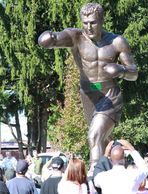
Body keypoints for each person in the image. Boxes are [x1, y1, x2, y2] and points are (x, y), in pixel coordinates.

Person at [38, 2, 138, 166]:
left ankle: (94, 175)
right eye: (85, 23)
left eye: (93, 22)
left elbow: (134, 74)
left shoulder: (117, 42)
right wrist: (51, 39)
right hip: (88, 94)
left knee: (94, 136)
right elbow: (57, 38)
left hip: (109, 94)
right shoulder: (76, 37)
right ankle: (116, 166)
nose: (89, 27)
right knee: (102, 138)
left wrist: (121, 70)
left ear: (102, 20)